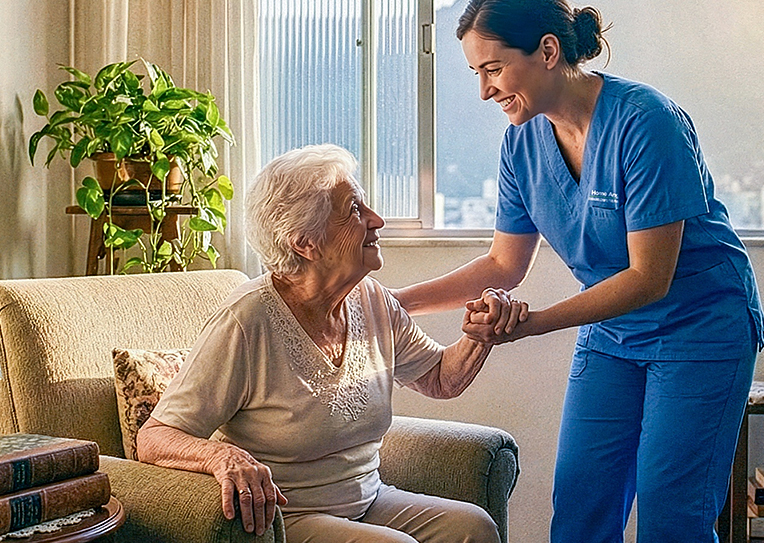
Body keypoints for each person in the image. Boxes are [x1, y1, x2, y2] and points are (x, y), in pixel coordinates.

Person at [391, 0, 764, 543]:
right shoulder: (521, 143)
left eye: (493, 69)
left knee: (673, 516)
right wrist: (389, 303)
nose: (484, 91)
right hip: (613, 334)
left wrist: (531, 324)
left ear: (547, 51)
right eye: (476, 74)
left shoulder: (645, 122)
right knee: (580, 509)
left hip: (700, 328)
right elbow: (502, 265)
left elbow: (648, 277)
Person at [136, 144, 503, 543]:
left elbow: (438, 380)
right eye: (354, 211)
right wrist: (223, 455)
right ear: (305, 242)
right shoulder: (246, 321)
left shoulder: (372, 298)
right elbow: (155, 437)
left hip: (369, 499)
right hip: (288, 514)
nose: (376, 220)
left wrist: (478, 336)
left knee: (473, 528)